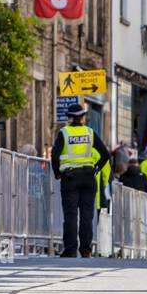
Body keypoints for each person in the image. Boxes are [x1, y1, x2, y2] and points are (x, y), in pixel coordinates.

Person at [50, 101, 109, 258]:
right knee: (86, 215)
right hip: (88, 177)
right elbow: (105, 154)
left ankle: (70, 249)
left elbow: (54, 156)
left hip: (70, 178)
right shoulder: (89, 132)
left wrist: (57, 172)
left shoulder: (64, 133)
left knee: (70, 215)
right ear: (83, 117)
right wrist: (96, 168)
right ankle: (86, 250)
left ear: (69, 118)